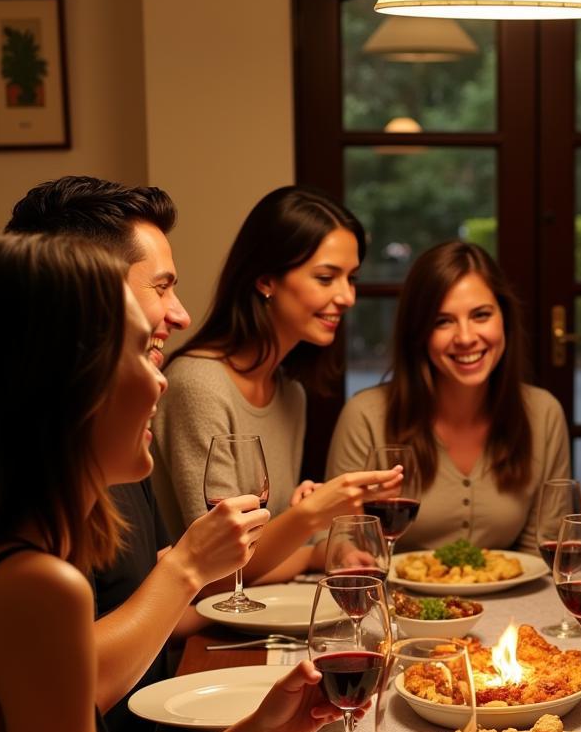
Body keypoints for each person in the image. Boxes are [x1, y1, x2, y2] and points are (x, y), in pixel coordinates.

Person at [0, 232, 447, 732]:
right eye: (140, 353)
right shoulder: (34, 591)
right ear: (70, 382)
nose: (160, 381)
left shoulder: (19, 567)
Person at [5, 176, 268, 732]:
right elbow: (73, 689)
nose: (180, 315)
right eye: (162, 288)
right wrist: (188, 567)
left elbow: (152, 613)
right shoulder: (24, 527)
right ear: (84, 295)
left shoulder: (121, 445)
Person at [152, 185, 402, 581]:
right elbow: (220, 569)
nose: (348, 296)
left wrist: (308, 533)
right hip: (196, 634)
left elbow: (260, 548)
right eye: (326, 277)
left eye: (351, 278)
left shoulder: (290, 393)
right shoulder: (198, 385)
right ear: (267, 279)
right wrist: (309, 523)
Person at [325, 240, 571, 554]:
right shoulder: (365, 416)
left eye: (481, 315)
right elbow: (335, 539)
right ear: (419, 332)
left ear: (504, 319)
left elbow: (542, 549)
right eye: (443, 321)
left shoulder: (543, 413)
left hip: (513, 601)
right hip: (395, 601)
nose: (466, 338)